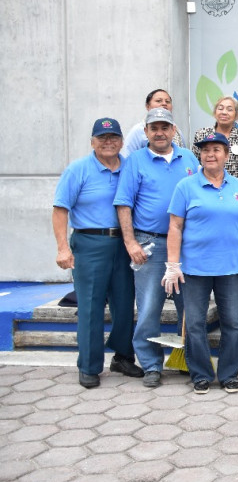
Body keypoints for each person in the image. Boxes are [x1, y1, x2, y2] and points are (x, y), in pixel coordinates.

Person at [164, 132, 238, 394]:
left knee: (232, 323)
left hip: (229, 269)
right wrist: (173, 265)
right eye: (205, 150)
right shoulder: (186, 187)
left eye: (217, 150)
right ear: (200, 155)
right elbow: (175, 226)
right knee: (194, 323)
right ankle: (201, 374)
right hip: (193, 270)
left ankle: (229, 374)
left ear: (227, 155)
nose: (211, 154)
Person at [53, 118, 143, 388]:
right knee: (91, 306)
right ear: (92, 141)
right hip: (90, 244)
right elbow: (60, 210)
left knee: (125, 304)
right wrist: (62, 248)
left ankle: (123, 357)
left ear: (121, 141)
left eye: (113, 137)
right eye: (102, 138)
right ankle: (90, 365)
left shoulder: (130, 167)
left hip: (125, 244)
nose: (108, 142)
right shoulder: (78, 170)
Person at [114, 108, 199, 388]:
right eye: (154, 128)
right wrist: (130, 242)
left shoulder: (189, 158)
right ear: (146, 132)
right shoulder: (135, 161)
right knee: (150, 307)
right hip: (150, 244)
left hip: (186, 245)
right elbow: (124, 204)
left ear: (174, 130)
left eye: (165, 127)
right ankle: (151, 364)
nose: (160, 132)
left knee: (189, 307)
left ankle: (187, 359)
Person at [191, 95, 238, 184]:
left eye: (229, 109)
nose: (224, 112)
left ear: (236, 115)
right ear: (215, 112)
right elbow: (193, 162)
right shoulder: (202, 134)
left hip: (235, 191)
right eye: (220, 108)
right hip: (207, 188)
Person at [123, 89, 184, 156]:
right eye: (159, 101)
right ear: (147, 106)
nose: (164, 103)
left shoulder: (176, 130)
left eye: (167, 101)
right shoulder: (137, 131)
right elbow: (128, 157)